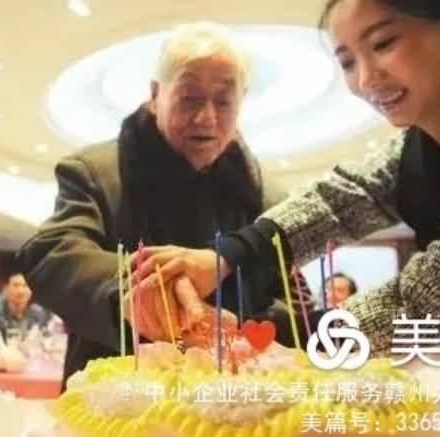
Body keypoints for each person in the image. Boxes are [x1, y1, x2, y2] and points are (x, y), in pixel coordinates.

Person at [132, 0, 440, 355]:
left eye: (383, 43)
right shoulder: (422, 142)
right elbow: (346, 197)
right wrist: (225, 256)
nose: (366, 79)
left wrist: (269, 338)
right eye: (347, 63)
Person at [18, 21, 307, 382]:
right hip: (115, 393)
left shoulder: (264, 195)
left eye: (223, 101)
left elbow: (294, 302)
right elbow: (53, 254)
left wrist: (243, 326)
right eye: (190, 98)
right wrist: (145, 291)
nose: (207, 118)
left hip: (235, 395)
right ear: (156, 94)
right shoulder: (95, 172)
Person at [0, 271, 48, 339]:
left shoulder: (40, 315)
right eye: (16, 285)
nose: (21, 291)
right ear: (5, 289)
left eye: (25, 285)